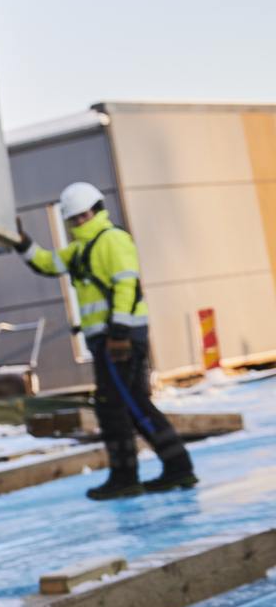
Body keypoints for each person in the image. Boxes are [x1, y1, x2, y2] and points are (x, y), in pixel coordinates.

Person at [18, 180, 195, 499]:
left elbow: (127, 286)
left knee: (113, 407)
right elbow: (46, 263)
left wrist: (119, 333)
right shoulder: (79, 249)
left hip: (119, 338)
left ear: (98, 210)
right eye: (74, 219)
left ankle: (127, 477)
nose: (79, 223)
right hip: (111, 339)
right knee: (134, 403)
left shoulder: (112, 239)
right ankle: (177, 467)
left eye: (84, 216)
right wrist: (21, 241)